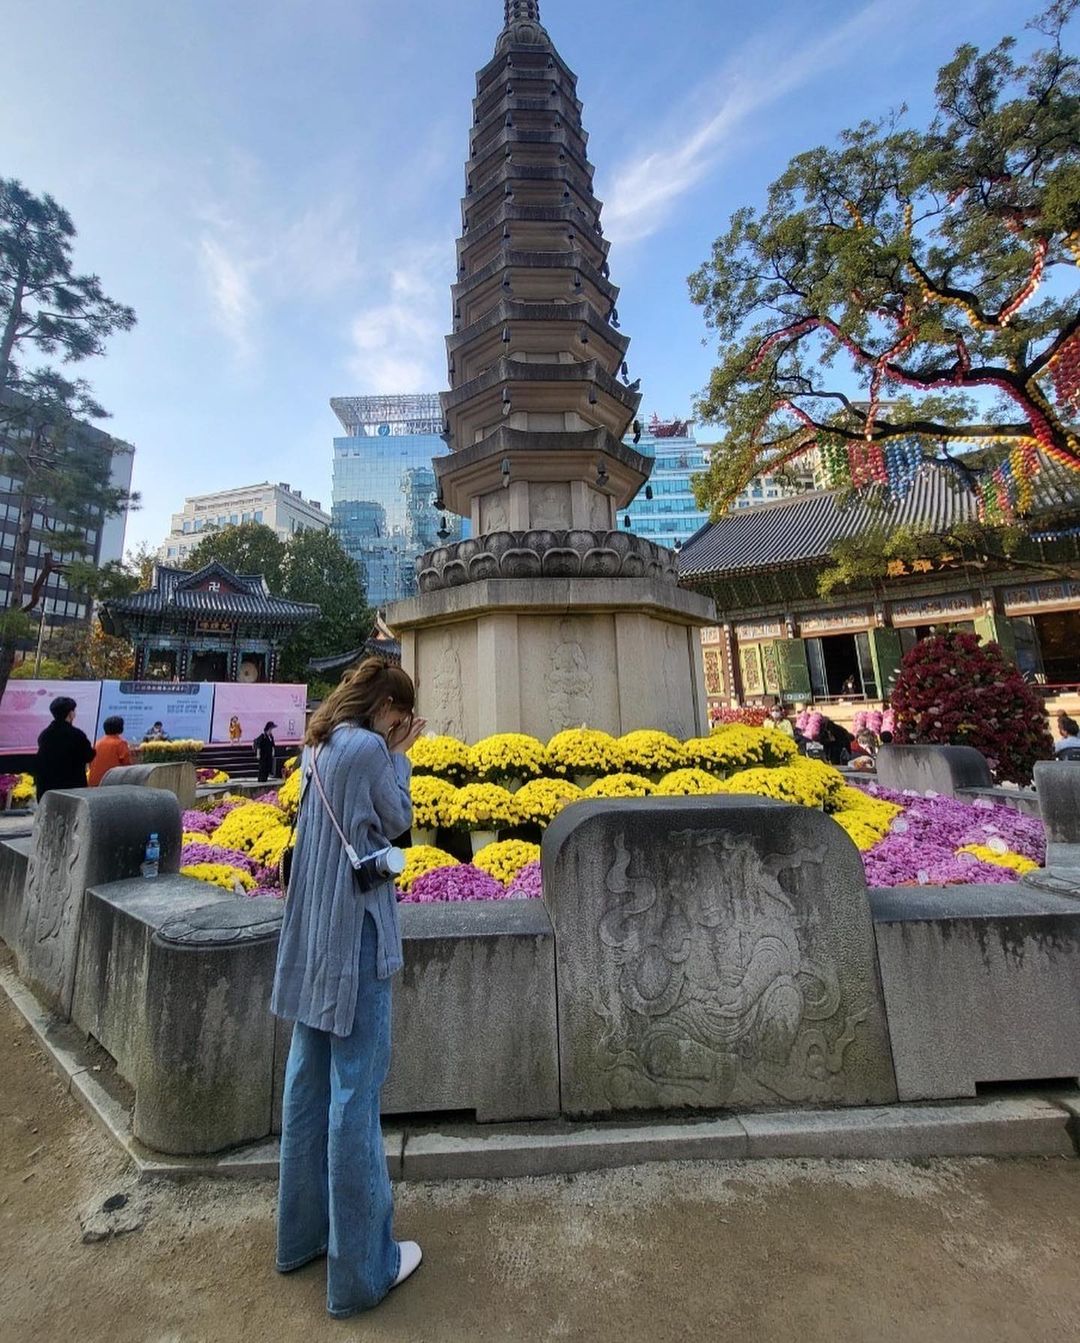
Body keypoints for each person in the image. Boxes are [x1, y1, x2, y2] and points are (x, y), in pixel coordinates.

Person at [271, 658, 427, 1318]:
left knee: (307, 1083)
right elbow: (397, 822)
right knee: (354, 1097)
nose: (405, 722)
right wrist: (401, 754)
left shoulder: (318, 740)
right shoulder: (368, 748)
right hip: (354, 937)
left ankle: (301, 1236)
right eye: (404, 711)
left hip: (310, 935)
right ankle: (363, 1270)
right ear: (387, 703)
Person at [32, 696, 96, 801]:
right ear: (70, 714)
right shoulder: (77, 735)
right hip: (72, 789)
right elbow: (89, 756)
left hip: (47, 789)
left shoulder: (45, 735)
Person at [88, 716, 133, 787]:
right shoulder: (120, 743)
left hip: (94, 783)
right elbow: (127, 766)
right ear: (121, 728)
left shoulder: (98, 743)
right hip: (111, 783)